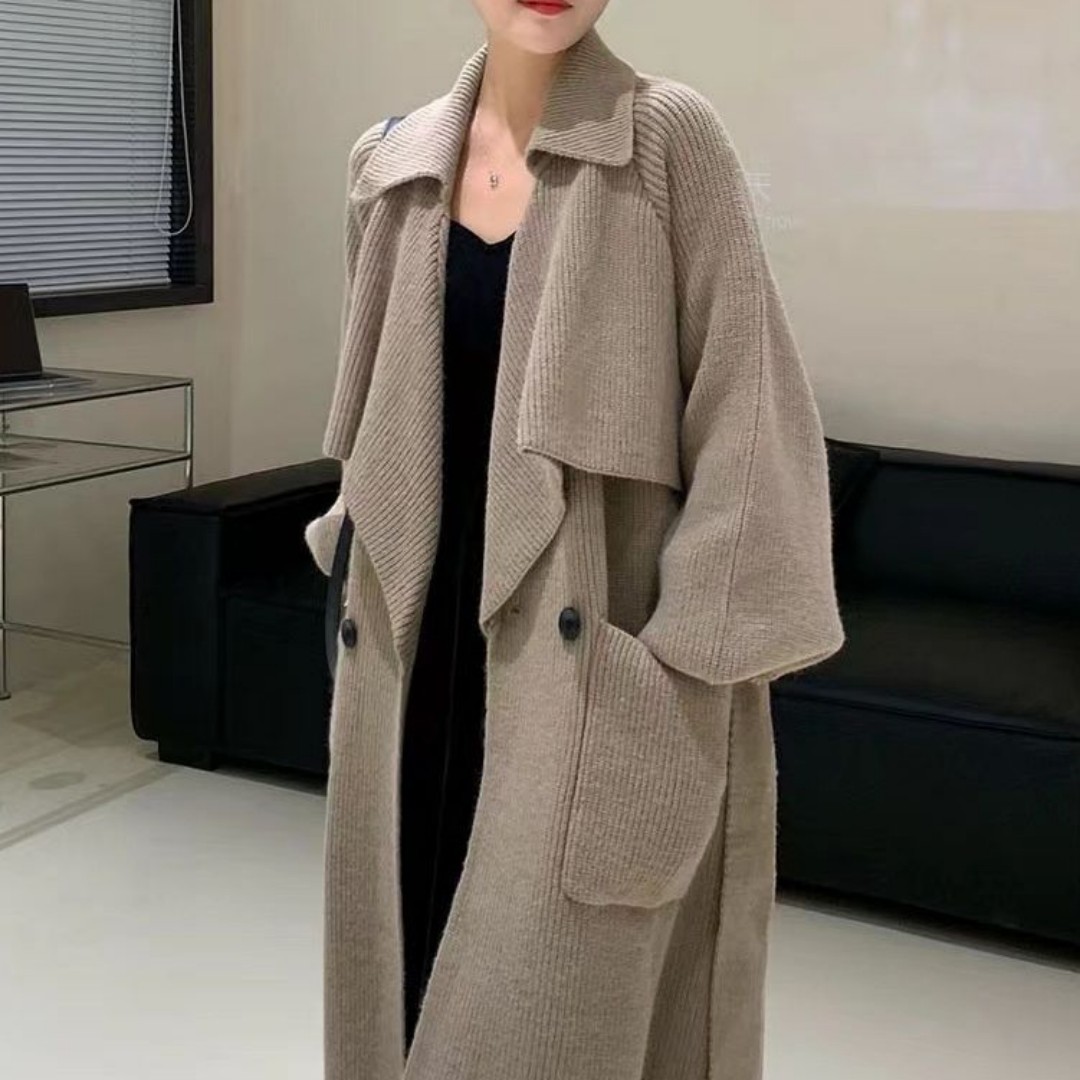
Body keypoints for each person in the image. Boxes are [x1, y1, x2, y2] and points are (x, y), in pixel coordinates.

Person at [305, 2, 846, 1078]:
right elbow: (373, 426)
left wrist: (673, 677)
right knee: (396, 979)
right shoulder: (389, 167)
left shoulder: (664, 140)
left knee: (562, 1019)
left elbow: (750, 417)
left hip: (587, 672)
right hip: (411, 665)